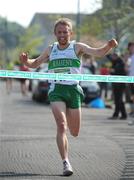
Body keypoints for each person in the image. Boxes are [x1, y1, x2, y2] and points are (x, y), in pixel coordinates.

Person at [19, 18, 118, 176]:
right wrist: (26, 61)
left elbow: (98, 52)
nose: (62, 35)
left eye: (65, 32)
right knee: (61, 125)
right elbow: (35, 63)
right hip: (56, 89)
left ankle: (67, 149)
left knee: (75, 131)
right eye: (59, 32)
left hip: (73, 90)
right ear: (55, 34)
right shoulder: (51, 49)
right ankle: (66, 162)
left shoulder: (77, 47)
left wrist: (109, 46)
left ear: (70, 33)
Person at [108, 53, 127, 120]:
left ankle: (119, 114)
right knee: (117, 100)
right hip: (116, 84)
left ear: (116, 56)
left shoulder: (121, 62)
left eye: (113, 55)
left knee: (119, 100)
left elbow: (121, 72)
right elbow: (108, 56)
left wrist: (113, 71)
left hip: (120, 84)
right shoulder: (114, 62)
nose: (112, 57)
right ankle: (122, 114)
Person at [127, 42, 134, 125]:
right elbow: (128, 68)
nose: (131, 48)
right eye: (130, 47)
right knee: (132, 97)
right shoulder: (130, 57)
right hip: (130, 80)